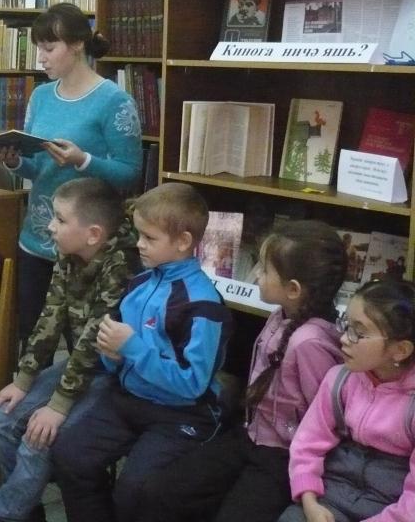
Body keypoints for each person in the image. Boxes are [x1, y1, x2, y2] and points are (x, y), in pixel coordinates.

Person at [142, 220, 346, 522]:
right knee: (164, 491)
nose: (257, 275)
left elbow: (323, 418)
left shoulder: (310, 343)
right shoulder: (281, 316)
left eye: (264, 270)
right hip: (250, 435)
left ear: (293, 289)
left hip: (282, 456)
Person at [50, 182, 231, 522]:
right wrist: (112, 355)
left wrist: (132, 348)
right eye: (139, 234)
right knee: (70, 455)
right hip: (130, 398)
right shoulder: (140, 284)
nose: (139, 244)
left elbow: (192, 384)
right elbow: (117, 356)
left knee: (136, 490)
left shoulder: (202, 304)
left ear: (183, 242)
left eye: (149, 238)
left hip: (182, 413)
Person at [0, 178, 140, 522]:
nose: (50, 226)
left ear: (93, 234)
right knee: (4, 417)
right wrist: (23, 380)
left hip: (115, 373)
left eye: (61, 219)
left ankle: (4, 515)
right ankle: (24, 512)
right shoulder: (68, 253)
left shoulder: (122, 266)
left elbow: (93, 341)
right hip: (80, 367)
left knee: (39, 436)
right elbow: (50, 318)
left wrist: (58, 406)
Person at [0, 3, 142, 343]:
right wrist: (15, 161)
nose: (41, 59)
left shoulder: (114, 100)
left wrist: (83, 160)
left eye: (49, 48)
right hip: (38, 239)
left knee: (84, 346)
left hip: (88, 248)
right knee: (31, 336)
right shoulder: (41, 96)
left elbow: (130, 173)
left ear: (77, 45)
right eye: (39, 49)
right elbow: (38, 167)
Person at [277, 279, 415, 522]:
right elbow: (307, 443)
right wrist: (309, 501)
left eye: (358, 333)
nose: (344, 338)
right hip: (330, 494)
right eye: (346, 324)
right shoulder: (340, 379)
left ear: (400, 350)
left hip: (389, 507)